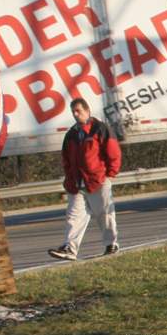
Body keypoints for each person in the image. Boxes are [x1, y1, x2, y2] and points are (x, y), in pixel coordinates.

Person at [48, 98, 122, 260]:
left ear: (87, 111)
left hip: (97, 180)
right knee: (74, 216)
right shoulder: (71, 134)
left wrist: (110, 173)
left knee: (104, 214)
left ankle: (111, 244)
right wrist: (69, 178)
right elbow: (66, 159)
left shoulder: (100, 129)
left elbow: (113, 152)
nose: (75, 114)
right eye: (73, 111)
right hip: (76, 182)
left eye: (78, 111)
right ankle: (70, 248)